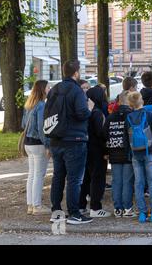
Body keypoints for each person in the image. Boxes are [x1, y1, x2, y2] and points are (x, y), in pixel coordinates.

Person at [48, 60, 93, 225]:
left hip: (56, 139)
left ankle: (56, 212)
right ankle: (74, 213)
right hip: (74, 139)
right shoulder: (76, 90)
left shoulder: (54, 89)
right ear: (76, 73)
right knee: (74, 179)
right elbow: (82, 113)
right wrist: (90, 109)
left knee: (58, 176)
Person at [127, 91, 152, 223]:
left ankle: (142, 212)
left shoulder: (128, 117)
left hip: (135, 153)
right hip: (150, 151)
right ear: (141, 101)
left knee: (139, 183)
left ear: (130, 104)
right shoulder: (149, 115)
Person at [78, 85, 110, 218]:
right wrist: (106, 149)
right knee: (97, 178)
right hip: (97, 150)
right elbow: (101, 133)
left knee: (86, 179)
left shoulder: (86, 111)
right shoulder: (97, 113)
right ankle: (95, 207)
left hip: (86, 148)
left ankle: (81, 205)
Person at [22, 80, 51, 216]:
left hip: (28, 143)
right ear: (43, 89)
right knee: (39, 175)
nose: (50, 89)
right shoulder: (41, 106)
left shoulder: (29, 105)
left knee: (32, 174)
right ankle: (37, 206)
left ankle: (31, 205)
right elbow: (42, 128)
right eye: (48, 87)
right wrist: (47, 144)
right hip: (38, 144)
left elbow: (23, 124)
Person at [104, 90, 135, 218]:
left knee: (116, 181)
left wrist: (106, 151)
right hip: (128, 152)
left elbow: (104, 134)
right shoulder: (132, 116)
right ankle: (127, 208)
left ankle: (117, 209)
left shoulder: (110, 117)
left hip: (114, 153)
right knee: (127, 181)